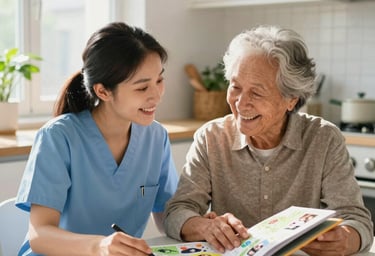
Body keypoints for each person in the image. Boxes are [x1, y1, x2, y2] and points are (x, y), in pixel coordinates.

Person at [164, 25, 373, 256]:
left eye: (257, 93)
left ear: (291, 100)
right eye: (235, 87)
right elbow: (177, 212)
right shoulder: (211, 138)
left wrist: (346, 238)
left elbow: (357, 219)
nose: (241, 104)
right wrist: (205, 226)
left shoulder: (324, 139)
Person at [15, 22, 179, 256]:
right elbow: (39, 235)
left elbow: (167, 215)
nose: (156, 95)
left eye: (159, 81)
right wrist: (98, 246)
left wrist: (199, 226)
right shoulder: (59, 137)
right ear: (103, 91)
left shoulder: (156, 137)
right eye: (142, 88)